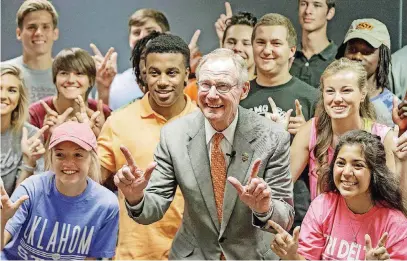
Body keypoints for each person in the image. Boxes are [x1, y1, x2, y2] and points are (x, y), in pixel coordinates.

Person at [114, 48, 294, 260]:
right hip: (193, 255)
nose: (211, 95)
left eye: (222, 86)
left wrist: (265, 208)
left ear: (244, 90)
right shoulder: (175, 135)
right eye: (205, 85)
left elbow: (285, 218)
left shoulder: (272, 137)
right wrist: (136, 198)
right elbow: (153, 207)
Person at [97, 34, 197, 260]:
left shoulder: (206, 124)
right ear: (145, 74)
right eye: (155, 73)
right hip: (135, 254)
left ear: (186, 75)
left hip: (193, 254)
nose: (162, 81)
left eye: (171, 72)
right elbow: (90, 183)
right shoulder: (119, 121)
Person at [269, 130, 407, 260]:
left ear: (375, 173)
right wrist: (293, 257)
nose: (346, 172)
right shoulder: (323, 205)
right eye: (340, 163)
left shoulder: (395, 223)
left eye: (358, 165)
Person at [1, 121, 119, 260]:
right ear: (51, 157)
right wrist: (3, 218)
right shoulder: (31, 189)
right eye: (60, 155)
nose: (68, 163)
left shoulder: (106, 204)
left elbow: (93, 257)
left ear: (92, 158)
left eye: (78, 155)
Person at [291, 58, 397, 201]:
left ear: (362, 93)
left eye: (346, 90)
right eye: (330, 91)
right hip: (321, 222)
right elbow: (282, 185)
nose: (337, 99)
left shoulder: (384, 137)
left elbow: (396, 198)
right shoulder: (311, 130)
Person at [28, 48, 110, 138]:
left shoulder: (105, 114)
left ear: (91, 80)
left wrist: (101, 136)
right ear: (55, 79)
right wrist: (47, 136)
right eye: (64, 73)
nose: (71, 80)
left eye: (79, 73)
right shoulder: (34, 114)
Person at [185, 11, 258, 102]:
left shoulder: (267, 89)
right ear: (222, 44)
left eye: (246, 43)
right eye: (231, 42)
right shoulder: (198, 88)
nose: (237, 48)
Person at [336, 18, 397, 126]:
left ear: (382, 58)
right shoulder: (330, 100)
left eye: (366, 52)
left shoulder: (393, 108)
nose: (357, 56)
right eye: (352, 50)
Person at [1, 64, 47, 196]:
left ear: (20, 98)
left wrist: (28, 163)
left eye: (12, 90)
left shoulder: (31, 135)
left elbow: (21, 203)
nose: (3, 96)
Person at [2, 0, 59, 103]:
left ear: (55, 33)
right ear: (19, 33)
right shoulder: (3, 72)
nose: (39, 33)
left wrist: (99, 88)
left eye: (45, 27)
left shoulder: (70, 75)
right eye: (31, 27)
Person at [290, 0, 337, 88]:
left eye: (317, 5)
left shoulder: (338, 60)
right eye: (303, 4)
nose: (308, 11)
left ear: (330, 12)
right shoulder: (287, 57)